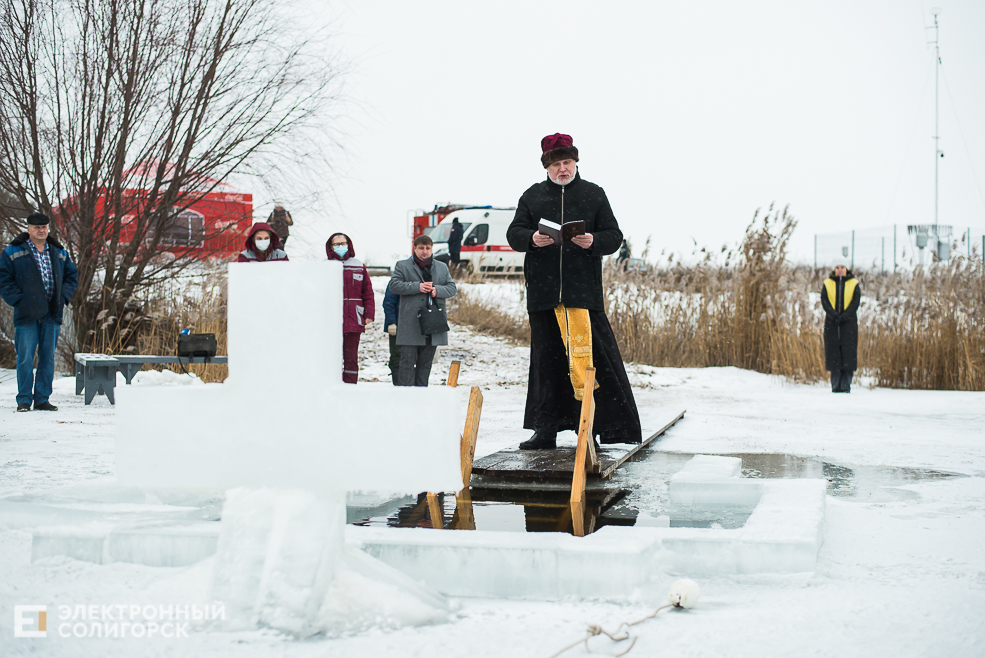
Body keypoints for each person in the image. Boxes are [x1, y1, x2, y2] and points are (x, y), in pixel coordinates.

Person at [506, 133, 642, 449]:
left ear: (576, 162)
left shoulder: (594, 194)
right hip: (543, 296)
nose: (562, 169)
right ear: (547, 167)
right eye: (556, 164)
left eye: (566, 162)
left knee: (592, 361)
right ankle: (545, 430)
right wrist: (531, 239)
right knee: (546, 364)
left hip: (583, 294)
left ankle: (593, 427)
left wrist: (594, 240)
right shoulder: (532, 196)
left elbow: (614, 236)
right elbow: (514, 234)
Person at [0, 212, 79, 412]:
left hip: (52, 312)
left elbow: (71, 276)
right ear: (28, 229)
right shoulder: (13, 251)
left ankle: (42, 399)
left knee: (47, 358)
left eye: (44, 227)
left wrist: (63, 297)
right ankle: (24, 400)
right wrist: (18, 300)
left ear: (48, 228)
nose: (41, 230)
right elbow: (3, 278)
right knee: (25, 358)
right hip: (26, 314)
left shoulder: (59, 251)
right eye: (36, 227)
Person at [388, 235, 457, 386]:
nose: (424, 251)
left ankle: (421, 394)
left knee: (425, 366)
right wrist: (417, 287)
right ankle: (406, 395)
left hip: (433, 323)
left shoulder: (441, 267)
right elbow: (394, 285)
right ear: (414, 248)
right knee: (406, 364)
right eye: (421, 248)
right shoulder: (403, 266)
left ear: (432, 249)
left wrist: (437, 290)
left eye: (427, 248)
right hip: (410, 323)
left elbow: (452, 288)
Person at [327, 233, 375, 384]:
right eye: (337, 244)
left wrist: (369, 314)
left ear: (349, 245)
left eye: (343, 243)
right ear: (331, 247)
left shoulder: (358, 265)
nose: (340, 246)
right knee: (331, 357)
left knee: (351, 358)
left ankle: (350, 387)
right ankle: (332, 386)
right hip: (331, 321)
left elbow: (367, 292)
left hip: (354, 319)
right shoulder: (325, 266)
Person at [821, 264, 860, 393]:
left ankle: (845, 385)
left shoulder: (854, 283)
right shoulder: (827, 283)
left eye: (842, 267)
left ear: (847, 269)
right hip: (832, 322)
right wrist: (834, 315)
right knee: (833, 353)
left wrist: (844, 316)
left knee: (848, 352)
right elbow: (824, 301)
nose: (840, 270)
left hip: (849, 323)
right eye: (837, 267)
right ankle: (835, 385)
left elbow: (855, 302)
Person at [382, 281, 401, 385]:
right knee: (396, 356)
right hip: (397, 325)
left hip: (414, 326)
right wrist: (391, 322)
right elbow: (389, 302)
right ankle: (398, 384)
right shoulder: (396, 281)